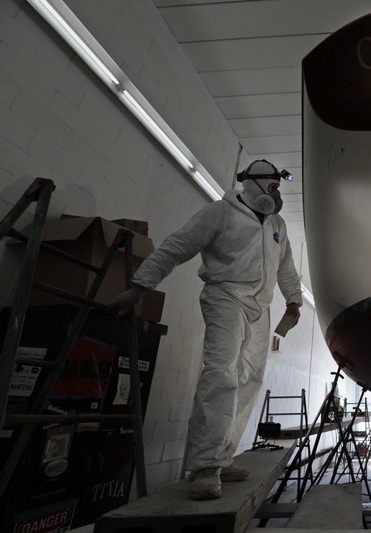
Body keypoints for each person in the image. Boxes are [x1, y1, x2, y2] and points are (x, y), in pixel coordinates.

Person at [109, 160, 302, 500]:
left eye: (278, 187)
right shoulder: (220, 212)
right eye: (271, 185)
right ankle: (205, 466)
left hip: (261, 307)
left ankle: (222, 457)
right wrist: (141, 286)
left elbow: (285, 264)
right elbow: (177, 245)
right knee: (221, 375)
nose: (275, 191)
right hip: (225, 296)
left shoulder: (277, 224)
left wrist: (294, 301)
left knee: (249, 380)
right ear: (253, 184)